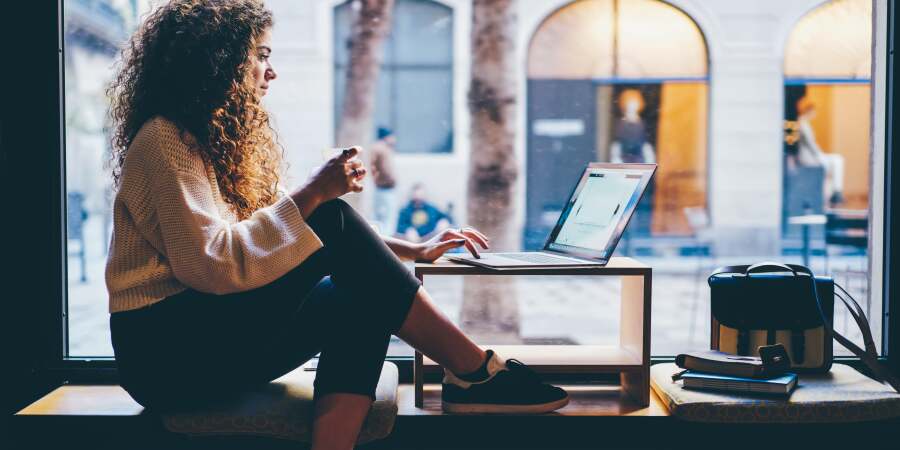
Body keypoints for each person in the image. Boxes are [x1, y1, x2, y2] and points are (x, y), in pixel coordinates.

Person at [104, 2, 568, 449]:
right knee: (328, 214)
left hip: (208, 338)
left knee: (361, 295)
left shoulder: (214, 140)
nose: (271, 71)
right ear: (218, 60)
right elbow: (211, 265)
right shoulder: (165, 139)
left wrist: (409, 249)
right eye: (261, 55)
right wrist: (314, 193)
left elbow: (286, 238)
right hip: (165, 356)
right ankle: (475, 371)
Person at [792, 96, 846, 207]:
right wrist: (821, 157)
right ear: (809, 110)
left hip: (810, 156)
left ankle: (836, 191)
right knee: (836, 161)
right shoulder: (803, 124)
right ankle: (836, 192)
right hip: (808, 158)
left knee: (836, 161)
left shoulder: (803, 123)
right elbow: (812, 146)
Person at [370, 126, 398, 234]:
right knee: (386, 219)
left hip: (382, 188)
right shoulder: (380, 148)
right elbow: (382, 169)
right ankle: (387, 243)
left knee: (382, 218)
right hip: (384, 188)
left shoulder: (381, 148)